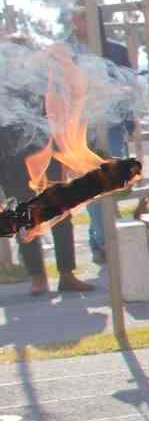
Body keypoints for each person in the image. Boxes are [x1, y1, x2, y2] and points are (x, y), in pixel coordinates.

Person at [0, 35, 95, 296]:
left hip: (48, 155)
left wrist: (66, 154)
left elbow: (59, 118)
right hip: (12, 161)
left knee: (60, 213)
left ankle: (66, 274)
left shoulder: (45, 82)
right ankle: (37, 277)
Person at [67, 1, 134, 265]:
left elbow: (130, 86)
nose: (86, 24)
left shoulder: (115, 51)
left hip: (113, 127)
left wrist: (129, 120)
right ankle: (102, 240)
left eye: (92, 19)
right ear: (75, 21)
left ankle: (106, 239)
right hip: (80, 131)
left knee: (110, 185)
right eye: (82, 19)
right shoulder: (66, 52)